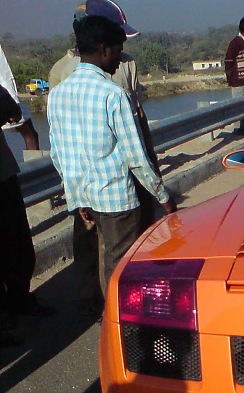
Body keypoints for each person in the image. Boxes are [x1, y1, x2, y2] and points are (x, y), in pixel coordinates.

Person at [47, 15, 176, 300]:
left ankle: (104, 313)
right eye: (118, 52)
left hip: (86, 199)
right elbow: (136, 156)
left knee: (97, 258)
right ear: (103, 49)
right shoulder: (112, 94)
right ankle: (122, 325)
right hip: (118, 200)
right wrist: (162, 196)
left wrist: (75, 196)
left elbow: (59, 153)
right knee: (120, 267)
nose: (120, 61)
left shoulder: (56, 94)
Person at [0, 84, 53, 337]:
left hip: (4, 175)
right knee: (15, 243)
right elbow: (10, 111)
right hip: (4, 176)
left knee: (19, 244)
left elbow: (12, 110)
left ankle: (17, 302)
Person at [0, 43, 40, 152]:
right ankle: (34, 166)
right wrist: (13, 104)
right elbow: (4, 76)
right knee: (30, 134)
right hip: (6, 101)